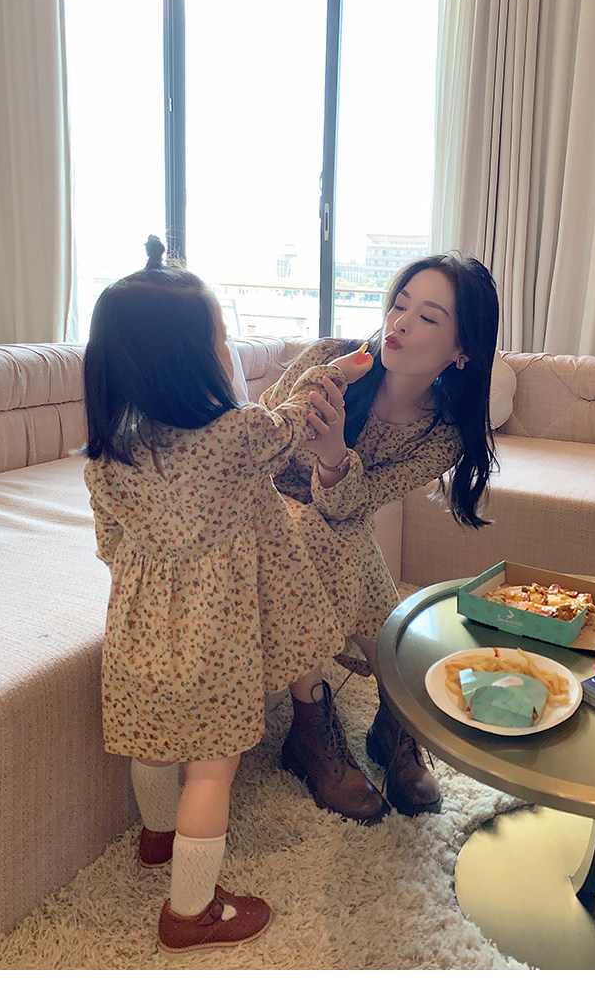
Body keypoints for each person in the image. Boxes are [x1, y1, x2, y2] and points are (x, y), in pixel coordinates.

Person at [82, 236, 375, 954]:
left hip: (137, 633)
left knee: (152, 747)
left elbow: (110, 545)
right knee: (210, 773)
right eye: (220, 338)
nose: (229, 350)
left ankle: (157, 839)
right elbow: (295, 420)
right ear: (192, 360)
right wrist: (333, 374)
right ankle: (191, 912)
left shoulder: (107, 456)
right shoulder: (237, 435)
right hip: (214, 642)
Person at [261, 253, 500, 821]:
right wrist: (320, 397)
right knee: (318, 530)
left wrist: (333, 456)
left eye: (428, 317)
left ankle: (390, 722)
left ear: (462, 351)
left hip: (335, 520)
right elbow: (255, 445)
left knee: (337, 529)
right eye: (399, 305)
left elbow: (352, 505)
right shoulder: (329, 360)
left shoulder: (441, 434)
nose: (400, 323)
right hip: (261, 504)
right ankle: (316, 728)